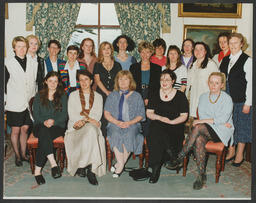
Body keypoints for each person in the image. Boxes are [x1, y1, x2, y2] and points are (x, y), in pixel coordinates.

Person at [177, 72, 234, 190]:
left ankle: (181, 156)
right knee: (198, 139)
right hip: (208, 128)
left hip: (223, 131)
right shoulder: (203, 96)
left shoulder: (227, 98)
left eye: (217, 83)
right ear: (208, 83)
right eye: (211, 82)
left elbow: (222, 119)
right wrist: (215, 120)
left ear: (222, 85)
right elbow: (203, 117)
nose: (213, 85)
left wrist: (215, 121)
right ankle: (201, 175)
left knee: (198, 127)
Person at [146, 69, 189, 183]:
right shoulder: (155, 94)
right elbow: (149, 113)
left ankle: (157, 166)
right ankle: (163, 162)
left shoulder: (180, 95)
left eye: (167, 79)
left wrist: (171, 122)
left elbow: (184, 116)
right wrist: (161, 118)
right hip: (159, 123)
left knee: (157, 133)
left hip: (175, 126)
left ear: (173, 81)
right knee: (156, 129)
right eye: (162, 79)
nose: (164, 82)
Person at [65, 70, 106, 186]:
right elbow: (72, 115)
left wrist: (85, 120)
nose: (83, 82)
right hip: (75, 128)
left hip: (91, 126)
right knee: (91, 130)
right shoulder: (73, 95)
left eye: (86, 79)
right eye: (81, 80)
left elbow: (97, 115)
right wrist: (88, 120)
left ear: (91, 81)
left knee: (91, 131)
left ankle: (88, 168)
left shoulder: (98, 96)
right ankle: (88, 168)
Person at [104, 70, 145, 178]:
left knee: (130, 134)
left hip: (132, 124)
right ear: (117, 81)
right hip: (114, 123)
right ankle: (121, 164)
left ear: (130, 81)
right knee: (115, 134)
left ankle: (118, 164)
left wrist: (129, 123)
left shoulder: (137, 96)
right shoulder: (112, 95)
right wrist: (117, 122)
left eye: (125, 79)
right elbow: (107, 113)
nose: (122, 82)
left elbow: (141, 115)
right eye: (120, 79)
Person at [219, 33, 252, 166]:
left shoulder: (247, 60)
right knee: (228, 126)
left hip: (241, 100)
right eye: (230, 43)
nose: (232, 45)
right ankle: (231, 151)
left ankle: (239, 155)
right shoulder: (225, 60)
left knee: (241, 127)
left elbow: (251, 83)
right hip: (227, 99)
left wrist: (248, 103)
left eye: (235, 43)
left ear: (241, 44)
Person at [5, 36, 37, 167]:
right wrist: (6, 102)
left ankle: (24, 154)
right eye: (19, 46)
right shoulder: (8, 63)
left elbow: (33, 83)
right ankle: (17, 156)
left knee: (25, 129)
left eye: (24, 46)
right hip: (14, 103)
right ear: (14, 48)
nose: (22, 49)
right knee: (16, 130)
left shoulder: (33, 63)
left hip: (27, 103)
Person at [32, 71, 68, 185]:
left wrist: (54, 121)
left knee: (44, 136)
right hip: (40, 125)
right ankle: (54, 164)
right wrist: (44, 121)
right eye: (50, 81)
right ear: (46, 81)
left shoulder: (63, 95)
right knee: (44, 131)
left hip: (57, 126)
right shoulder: (39, 95)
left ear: (58, 83)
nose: (53, 84)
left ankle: (37, 171)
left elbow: (64, 115)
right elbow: (36, 114)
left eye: (55, 81)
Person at [130, 41, 162, 138]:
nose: (145, 54)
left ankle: (149, 148)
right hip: (137, 96)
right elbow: (132, 85)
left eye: (147, 52)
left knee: (150, 125)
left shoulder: (157, 68)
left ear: (151, 53)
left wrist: (149, 98)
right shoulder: (133, 67)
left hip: (152, 96)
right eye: (142, 52)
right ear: (139, 52)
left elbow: (157, 86)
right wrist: (140, 99)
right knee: (138, 124)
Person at [93, 41, 122, 137]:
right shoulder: (97, 65)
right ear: (101, 51)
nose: (106, 51)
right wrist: (106, 92)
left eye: (108, 48)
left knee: (114, 117)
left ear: (111, 50)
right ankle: (103, 140)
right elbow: (97, 80)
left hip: (115, 94)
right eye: (104, 49)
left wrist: (113, 92)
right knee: (102, 118)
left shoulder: (118, 65)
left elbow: (119, 80)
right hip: (101, 94)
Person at [186, 42, 219, 118]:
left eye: (201, 49)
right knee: (195, 120)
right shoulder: (192, 64)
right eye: (196, 49)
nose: (198, 51)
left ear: (205, 51)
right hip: (194, 98)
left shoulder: (211, 64)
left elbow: (217, 82)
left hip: (207, 98)